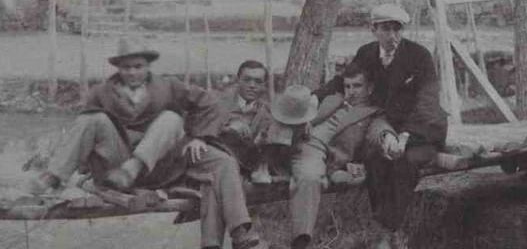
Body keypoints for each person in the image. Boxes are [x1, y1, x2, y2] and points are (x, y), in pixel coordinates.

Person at [33, 37, 265, 249]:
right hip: (118, 165)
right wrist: (75, 166)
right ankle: (52, 177)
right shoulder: (101, 93)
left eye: (138, 66)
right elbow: (82, 132)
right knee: (93, 118)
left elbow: (210, 104)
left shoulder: (168, 87)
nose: (133, 72)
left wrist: (200, 137)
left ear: (147, 66)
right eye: (126, 67)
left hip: (163, 163)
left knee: (220, 159)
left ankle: (240, 230)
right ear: (118, 68)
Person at [317, 4, 447, 248]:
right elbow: (344, 80)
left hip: (422, 130)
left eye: (397, 29)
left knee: (404, 162)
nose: (393, 36)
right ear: (373, 29)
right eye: (386, 29)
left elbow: (427, 102)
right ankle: (394, 233)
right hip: (384, 127)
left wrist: (406, 136)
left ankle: (385, 232)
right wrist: (315, 97)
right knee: (376, 162)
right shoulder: (366, 53)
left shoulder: (419, 56)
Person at [288, 65, 404, 249]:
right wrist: (304, 121)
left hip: (317, 153)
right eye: (347, 86)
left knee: (309, 177)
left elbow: (379, 130)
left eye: (357, 86)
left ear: (370, 88)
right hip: (291, 143)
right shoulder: (331, 99)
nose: (351, 91)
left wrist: (388, 138)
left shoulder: (373, 113)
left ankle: (301, 242)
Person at [215, 60, 275, 182]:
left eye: (258, 81)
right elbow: (200, 128)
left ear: (264, 84)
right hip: (221, 166)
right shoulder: (218, 104)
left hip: (252, 170)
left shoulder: (269, 112)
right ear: (238, 80)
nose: (252, 85)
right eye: (247, 80)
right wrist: (228, 128)